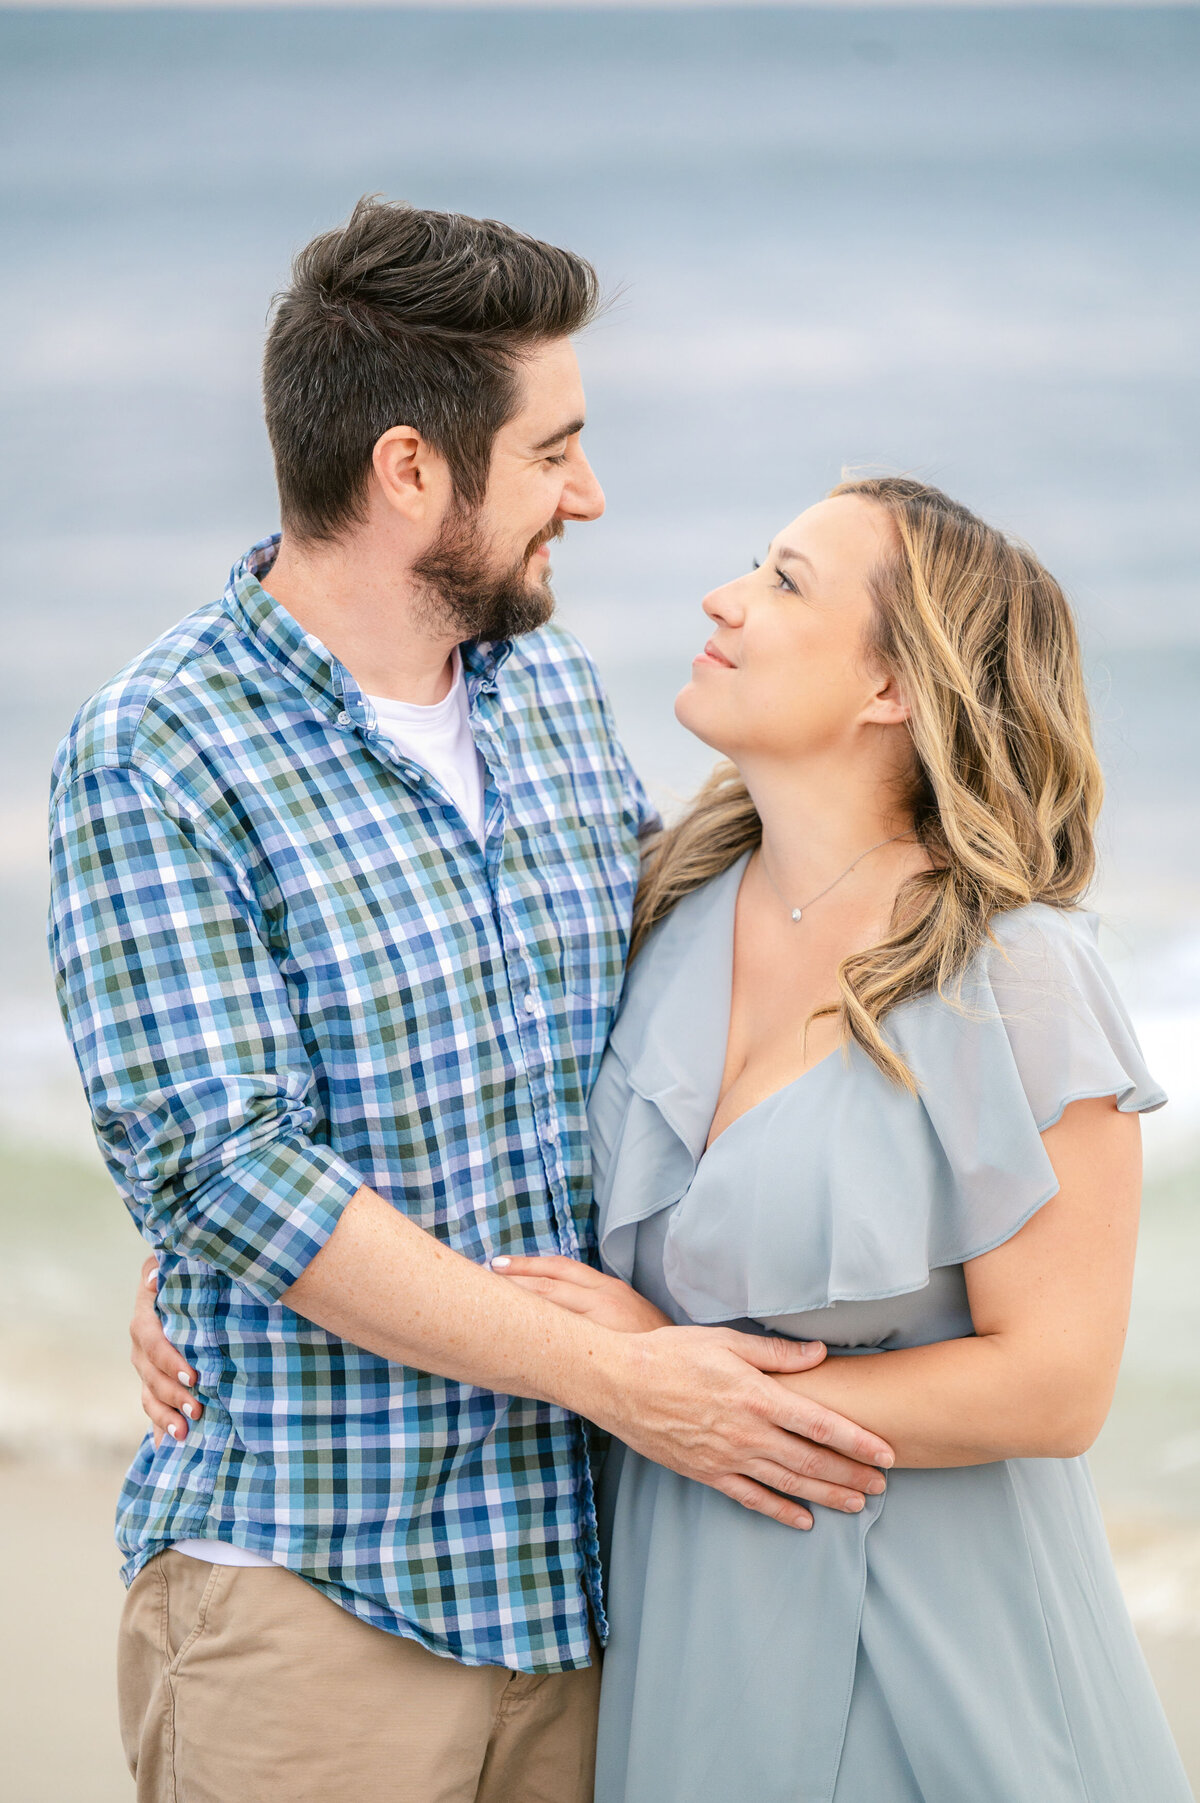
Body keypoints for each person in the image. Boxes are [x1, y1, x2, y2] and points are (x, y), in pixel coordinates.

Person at [51, 200, 893, 1803]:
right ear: (409, 471)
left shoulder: (552, 690)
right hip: (315, 1605)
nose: (591, 494)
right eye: (554, 451)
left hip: (584, 1594)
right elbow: (232, 1169)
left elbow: (697, 1002)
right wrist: (621, 1380)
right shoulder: (158, 749)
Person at [490, 478, 1194, 1802]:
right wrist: (208, 1271)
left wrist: (667, 1377)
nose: (724, 597)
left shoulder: (1019, 977)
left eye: (785, 581)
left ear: (892, 689)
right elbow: (449, 1110)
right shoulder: (656, 909)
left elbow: (1054, 1388)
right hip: (690, 1635)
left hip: (944, 1659)